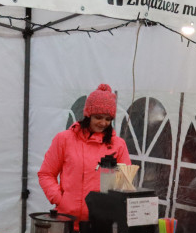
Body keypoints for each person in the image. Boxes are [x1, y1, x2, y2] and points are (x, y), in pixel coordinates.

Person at [38, 83, 131, 225]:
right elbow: (46, 174)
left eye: (108, 119)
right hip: (66, 221)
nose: (103, 123)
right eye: (98, 117)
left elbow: (124, 184)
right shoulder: (64, 139)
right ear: (88, 115)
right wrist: (60, 199)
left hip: (101, 223)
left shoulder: (118, 145)